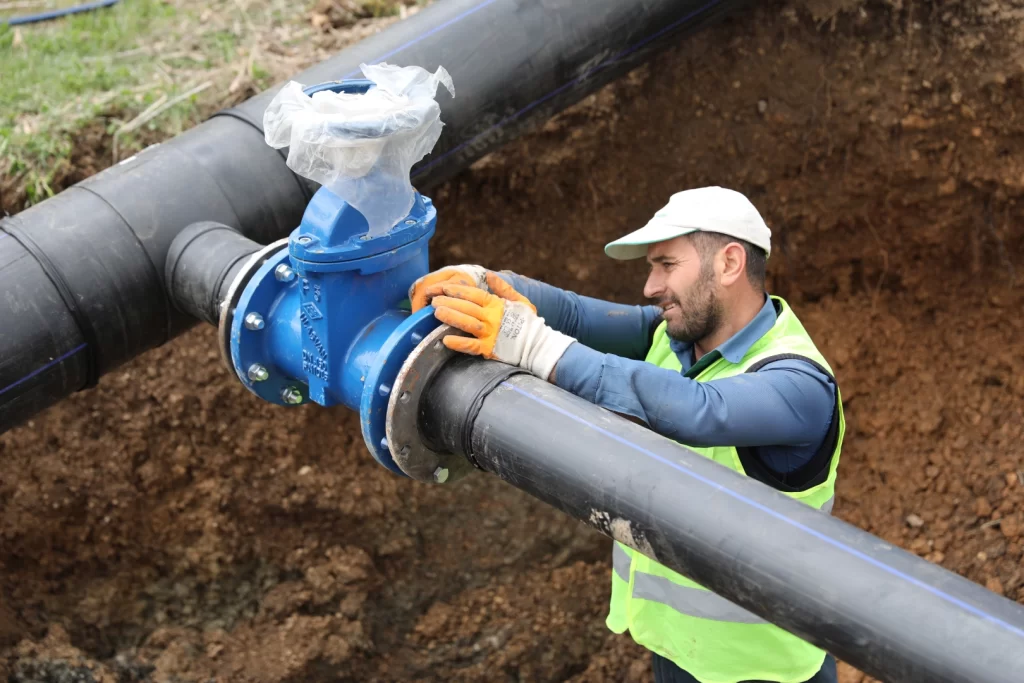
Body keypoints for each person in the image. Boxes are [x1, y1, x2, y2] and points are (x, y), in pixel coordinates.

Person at [408, 186, 843, 683]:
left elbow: (702, 411)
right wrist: (485, 281)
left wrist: (531, 345)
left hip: (765, 669)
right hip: (678, 648)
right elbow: (573, 313)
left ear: (728, 264)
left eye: (666, 265)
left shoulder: (799, 382)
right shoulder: (676, 338)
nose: (650, 287)